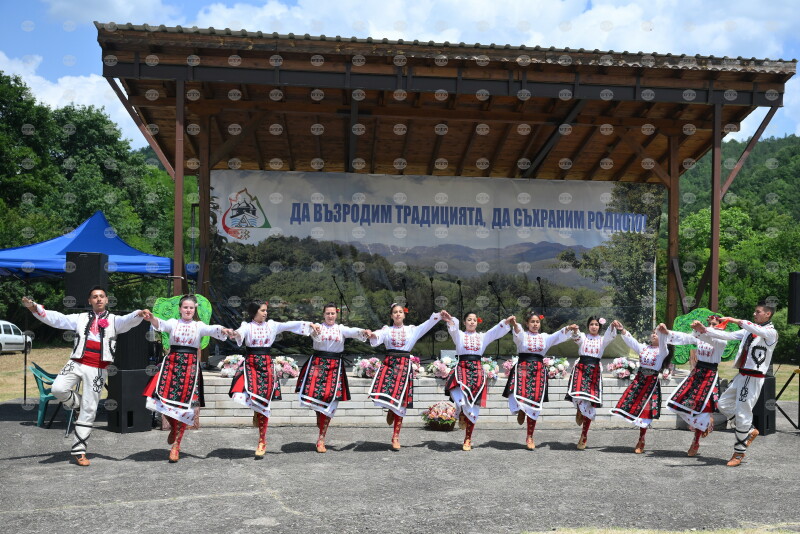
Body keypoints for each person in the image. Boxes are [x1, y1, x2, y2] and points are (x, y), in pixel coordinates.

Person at [22, 288, 147, 466]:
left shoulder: (114, 320)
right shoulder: (80, 318)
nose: (98, 299)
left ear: (106, 300)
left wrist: (139, 313)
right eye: (95, 297)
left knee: (89, 410)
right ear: (89, 301)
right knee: (58, 388)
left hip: (98, 368)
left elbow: (128, 320)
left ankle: (79, 451)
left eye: (101, 296)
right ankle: (79, 404)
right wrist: (34, 308)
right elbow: (58, 318)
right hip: (76, 362)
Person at [142, 294, 234, 462]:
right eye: (185, 307)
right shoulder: (173, 323)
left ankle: (176, 446)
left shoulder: (199, 325)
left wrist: (224, 330)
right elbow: (160, 324)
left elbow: (213, 329)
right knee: (164, 400)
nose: (188, 310)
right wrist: (151, 318)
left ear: (194, 309)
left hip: (190, 367)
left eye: (191, 307)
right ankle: (173, 427)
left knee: (186, 406)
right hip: (172, 364)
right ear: (180, 309)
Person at [690, 301, 778, 467]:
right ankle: (749, 430)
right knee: (722, 404)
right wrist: (704, 329)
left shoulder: (771, 333)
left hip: (753, 377)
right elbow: (728, 336)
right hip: (741, 375)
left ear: (768, 314)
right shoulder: (749, 331)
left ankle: (739, 452)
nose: (754, 314)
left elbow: (754, 328)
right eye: (755, 311)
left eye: (758, 312)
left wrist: (733, 319)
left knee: (744, 413)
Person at [228, 301, 312, 458]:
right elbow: (240, 332)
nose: (265, 313)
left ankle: (262, 441)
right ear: (254, 312)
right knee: (245, 394)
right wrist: (235, 334)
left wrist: (308, 325)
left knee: (265, 402)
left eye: (266, 310)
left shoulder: (271, 325)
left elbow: (289, 325)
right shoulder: (247, 326)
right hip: (251, 364)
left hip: (266, 365)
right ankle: (256, 409)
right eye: (262, 310)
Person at [368, 304, 441, 451]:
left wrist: (438, 316)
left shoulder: (411, 330)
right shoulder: (387, 330)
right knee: (385, 392)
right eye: (395, 312)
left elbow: (426, 325)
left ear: (404, 315)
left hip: (404, 366)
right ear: (391, 316)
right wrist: (372, 334)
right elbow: (378, 335)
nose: (398, 314)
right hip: (389, 364)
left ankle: (395, 437)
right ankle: (390, 409)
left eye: (400, 312)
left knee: (401, 402)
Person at [298, 303, 370, 453]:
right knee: (316, 396)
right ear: (323, 315)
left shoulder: (340, 329)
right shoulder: (318, 327)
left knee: (331, 400)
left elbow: (353, 331)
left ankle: (321, 439)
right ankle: (318, 414)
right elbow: (308, 330)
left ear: (336, 315)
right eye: (327, 313)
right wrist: (312, 327)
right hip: (318, 364)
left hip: (335, 366)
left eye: (332, 313)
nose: (330, 316)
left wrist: (363, 331)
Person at [440, 310, 513, 451]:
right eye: (469, 319)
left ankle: (468, 439)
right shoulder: (459, 335)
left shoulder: (482, 337)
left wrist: (505, 322)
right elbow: (453, 329)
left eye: (474, 320)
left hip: (477, 371)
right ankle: (461, 410)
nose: (472, 322)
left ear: (477, 322)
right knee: (459, 395)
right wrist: (450, 320)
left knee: (474, 406)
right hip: (462, 368)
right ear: (464, 322)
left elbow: (495, 332)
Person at [502, 310, 570, 450]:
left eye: (537, 322)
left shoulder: (544, 337)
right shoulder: (523, 335)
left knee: (534, 403)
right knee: (516, 392)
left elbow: (557, 336)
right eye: (532, 321)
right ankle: (521, 409)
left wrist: (568, 328)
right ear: (527, 323)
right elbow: (518, 335)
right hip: (523, 368)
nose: (535, 324)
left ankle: (530, 436)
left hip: (538, 370)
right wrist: (515, 325)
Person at [663, 314, 728, 457]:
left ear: (721, 326)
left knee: (702, 408)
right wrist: (667, 333)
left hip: (710, 374)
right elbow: (685, 338)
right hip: (698, 372)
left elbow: (713, 338)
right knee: (680, 401)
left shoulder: (721, 339)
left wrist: (703, 330)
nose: (711, 326)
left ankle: (696, 441)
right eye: (709, 323)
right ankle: (703, 424)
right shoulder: (701, 335)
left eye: (714, 324)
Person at [608, 320, 669, 454]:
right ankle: (640, 437)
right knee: (631, 405)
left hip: (651, 383)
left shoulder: (663, 351)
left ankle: (641, 439)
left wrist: (664, 331)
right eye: (653, 333)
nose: (654, 335)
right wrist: (622, 330)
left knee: (646, 411)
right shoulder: (644, 348)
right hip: (640, 380)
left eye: (657, 334)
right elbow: (631, 341)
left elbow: (664, 344)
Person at [565, 316, 615, 450]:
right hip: (581, 368)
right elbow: (576, 338)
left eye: (596, 325)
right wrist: (575, 331)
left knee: (589, 403)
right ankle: (579, 410)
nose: (594, 326)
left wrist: (612, 326)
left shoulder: (602, 340)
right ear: (588, 326)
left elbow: (610, 336)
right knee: (578, 395)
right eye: (592, 324)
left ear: (600, 327)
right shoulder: (583, 337)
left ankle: (584, 435)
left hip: (594, 371)